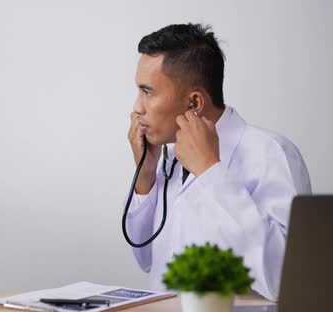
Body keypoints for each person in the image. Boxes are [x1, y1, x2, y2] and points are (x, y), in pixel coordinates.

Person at [124, 24, 311, 301]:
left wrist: (211, 172)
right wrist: (146, 178)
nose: (137, 107)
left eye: (148, 92)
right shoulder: (173, 158)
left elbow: (285, 279)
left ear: (194, 103)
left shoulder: (272, 154)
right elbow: (148, 259)